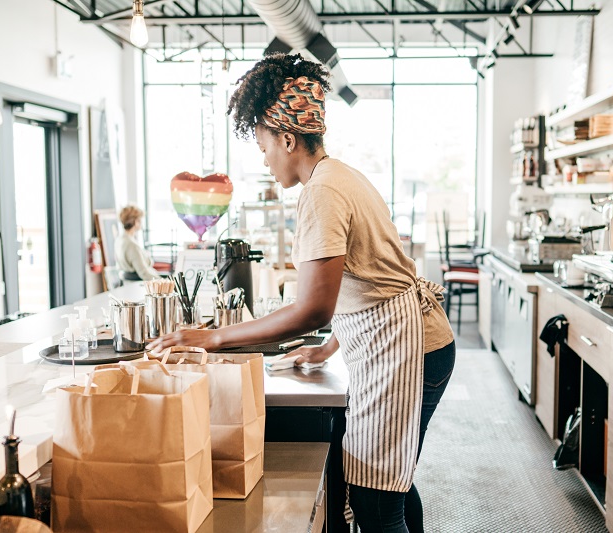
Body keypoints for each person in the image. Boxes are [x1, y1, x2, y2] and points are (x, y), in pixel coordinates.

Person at [148, 53, 455, 533]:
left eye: (264, 144)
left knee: (376, 494)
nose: (264, 158)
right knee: (393, 481)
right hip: (413, 341)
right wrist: (331, 346)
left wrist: (212, 339)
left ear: (288, 138)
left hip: (408, 348)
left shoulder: (322, 192)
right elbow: (372, 278)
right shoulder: (340, 175)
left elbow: (314, 307)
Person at [114, 205, 159, 281]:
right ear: (135, 221)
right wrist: (164, 282)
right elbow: (144, 273)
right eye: (140, 220)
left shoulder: (119, 239)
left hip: (128, 284)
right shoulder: (131, 245)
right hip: (138, 285)